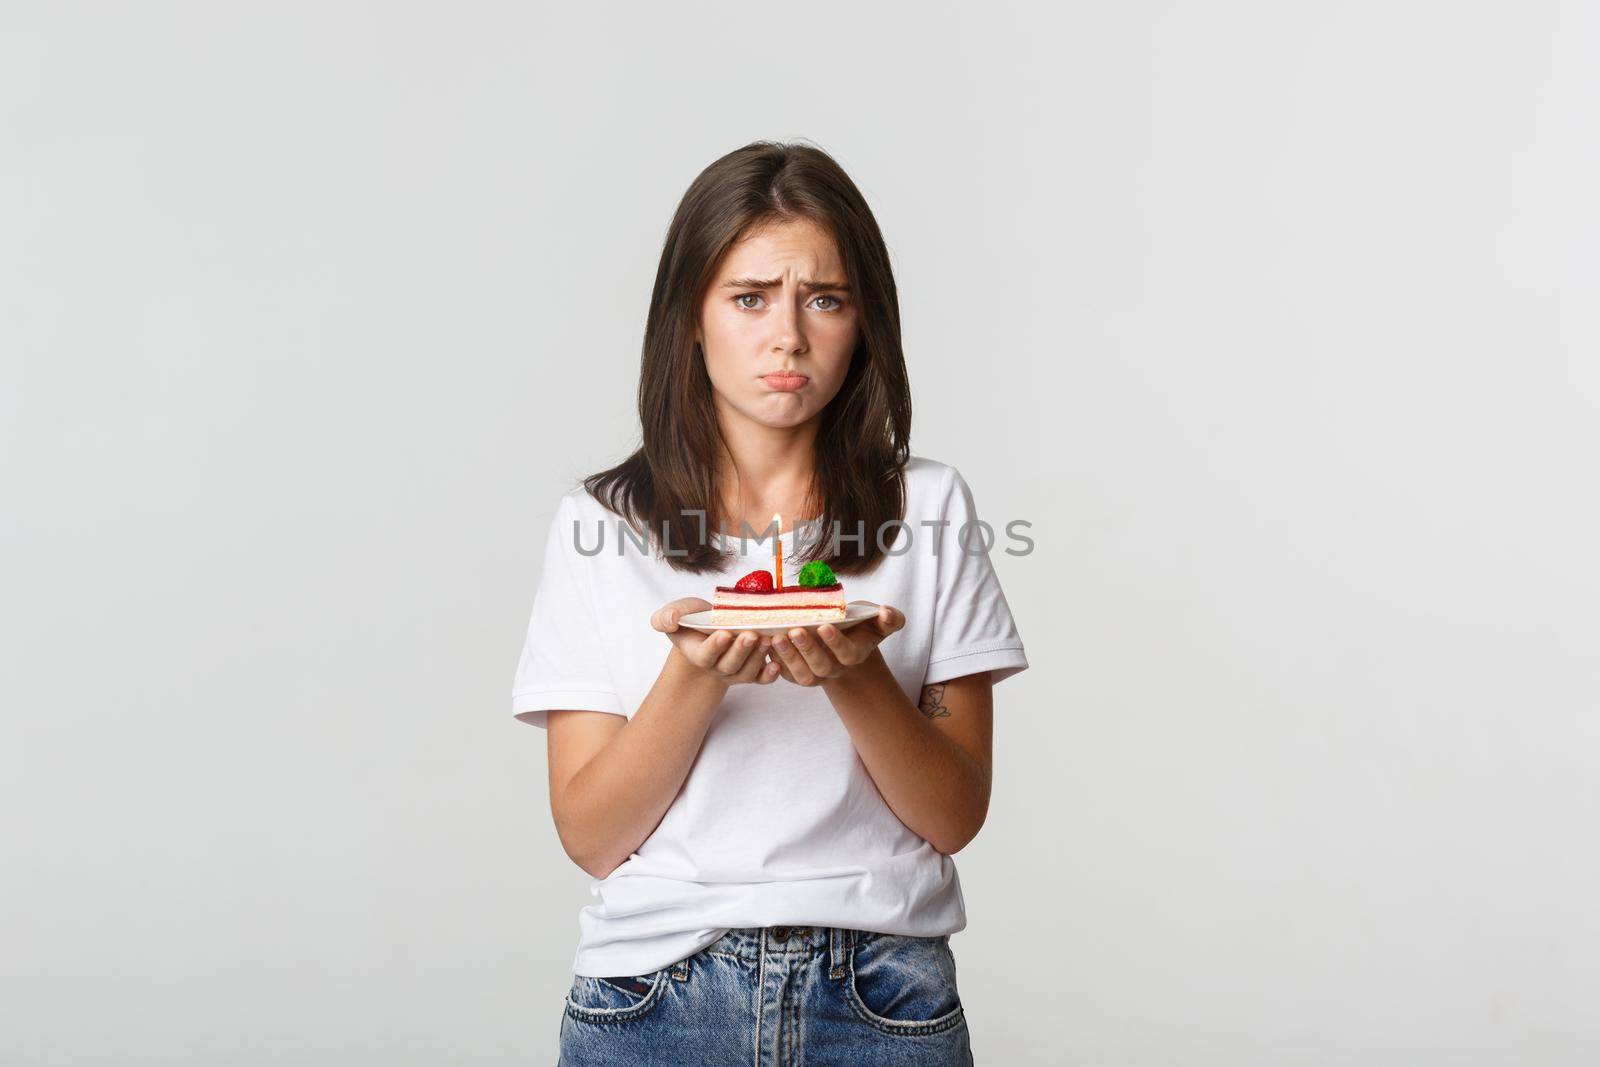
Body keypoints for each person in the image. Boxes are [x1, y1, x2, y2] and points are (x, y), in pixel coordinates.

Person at [510, 140, 1028, 1066]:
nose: (787, 335)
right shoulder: (601, 524)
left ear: (864, 320)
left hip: (883, 997)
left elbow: (955, 814)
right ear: (691, 320)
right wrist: (695, 671)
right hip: (653, 998)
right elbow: (590, 836)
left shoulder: (932, 509)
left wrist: (856, 673)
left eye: (823, 298)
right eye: (749, 298)